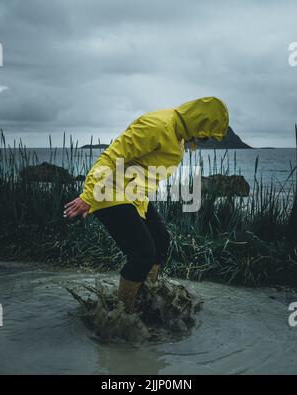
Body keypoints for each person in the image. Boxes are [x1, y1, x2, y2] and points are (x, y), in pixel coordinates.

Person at [64, 97, 229, 312]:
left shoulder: (179, 135)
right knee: (142, 254)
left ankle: (145, 293)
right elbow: (112, 156)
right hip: (108, 192)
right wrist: (88, 195)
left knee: (161, 240)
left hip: (133, 196)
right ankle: (124, 313)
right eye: (207, 133)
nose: (204, 139)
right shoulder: (158, 125)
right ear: (199, 121)